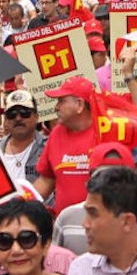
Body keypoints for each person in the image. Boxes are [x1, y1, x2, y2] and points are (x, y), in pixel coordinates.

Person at [33, 77, 96, 214]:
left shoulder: (105, 133)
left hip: (101, 229)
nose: (56, 107)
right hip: (65, 228)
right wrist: (23, 206)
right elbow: (46, 180)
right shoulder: (56, 134)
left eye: (61, 101)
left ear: (79, 104)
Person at [0, 90, 46, 184]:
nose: (18, 118)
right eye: (12, 114)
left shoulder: (49, 148)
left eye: (24, 113)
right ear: (6, 120)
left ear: (36, 117)